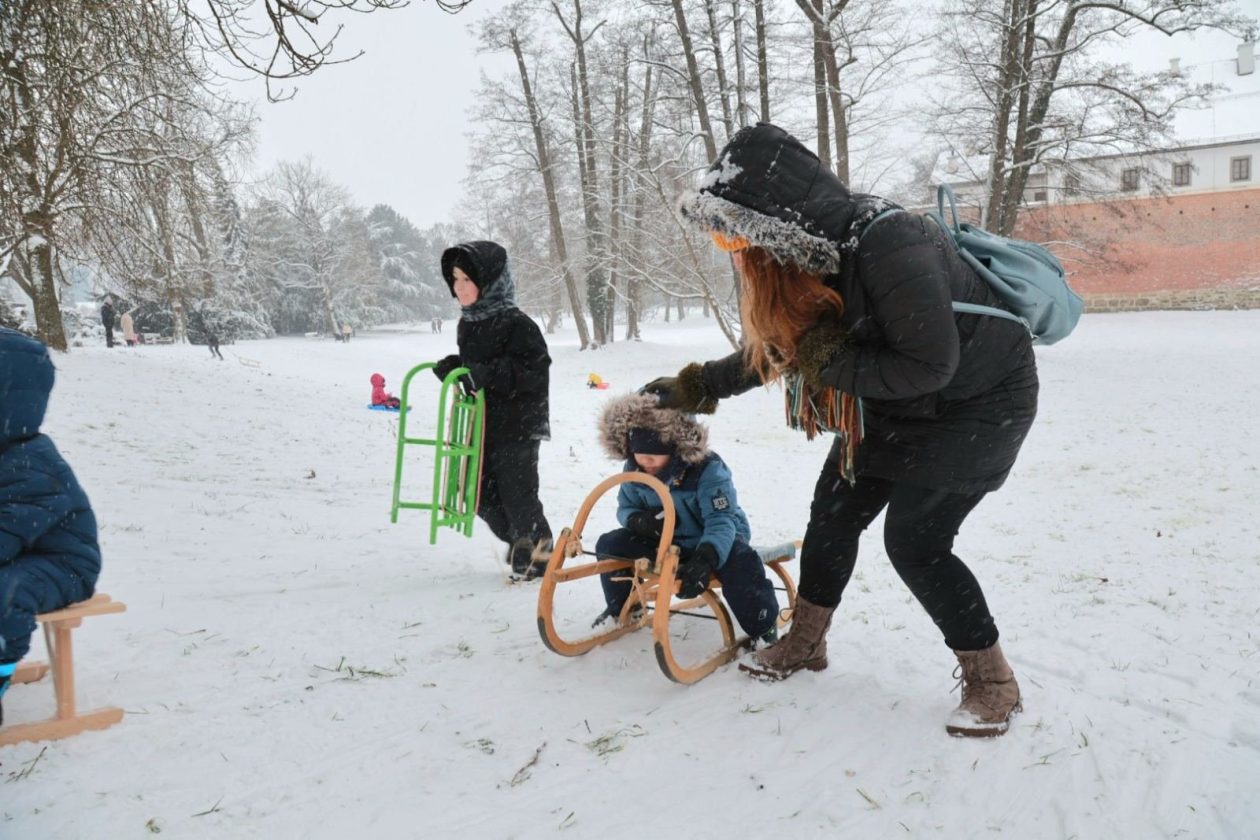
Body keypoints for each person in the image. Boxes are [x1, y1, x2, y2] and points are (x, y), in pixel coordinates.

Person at [642, 123, 1037, 738]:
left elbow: (930, 364)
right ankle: (805, 643)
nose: (734, 247)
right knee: (831, 515)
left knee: (916, 543)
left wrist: (829, 362)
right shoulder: (807, 259)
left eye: (734, 232)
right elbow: (782, 348)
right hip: (890, 403)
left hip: (977, 405)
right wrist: (697, 387)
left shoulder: (892, 241)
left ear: (777, 219)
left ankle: (993, 681)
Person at [592, 393, 779, 642]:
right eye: (639, 452)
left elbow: (721, 521)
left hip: (715, 539)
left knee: (741, 563)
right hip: (667, 542)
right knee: (611, 545)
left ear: (674, 446)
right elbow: (625, 507)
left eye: (655, 453)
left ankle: (762, 623)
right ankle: (624, 608)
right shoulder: (635, 469)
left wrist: (705, 559)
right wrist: (638, 521)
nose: (646, 460)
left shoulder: (707, 469)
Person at [0, 328, 103, 727]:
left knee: (5, 594)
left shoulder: (31, 464)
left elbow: (6, 535)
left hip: (64, 566)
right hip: (20, 556)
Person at [434, 241, 553, 579]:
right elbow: (479, 366)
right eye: (455, 280)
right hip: (481, 423)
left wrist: (483, 374)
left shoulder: (518, 323)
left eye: (467, 280)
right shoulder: (468, 323)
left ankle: (541, 554)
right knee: (477, 495)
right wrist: (456, 366)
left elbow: (533, 371)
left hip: (517, 424)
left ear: (489, 281)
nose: (459, 288)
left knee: (518, 496)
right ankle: (521, 543)